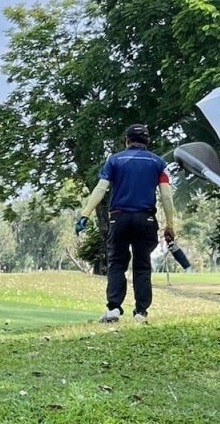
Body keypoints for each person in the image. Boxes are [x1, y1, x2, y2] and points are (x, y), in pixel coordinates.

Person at [76, 124, 178, 324]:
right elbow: (166, 196)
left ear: (127, 140)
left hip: (119, 218)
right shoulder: (158, 162)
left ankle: (113, 309)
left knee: (116, 263)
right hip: (146, 218)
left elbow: (100, 189)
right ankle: (141, 312)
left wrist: (85, 214)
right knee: (142, 265)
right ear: (147, 141)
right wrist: (170, 224)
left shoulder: (114, 160)